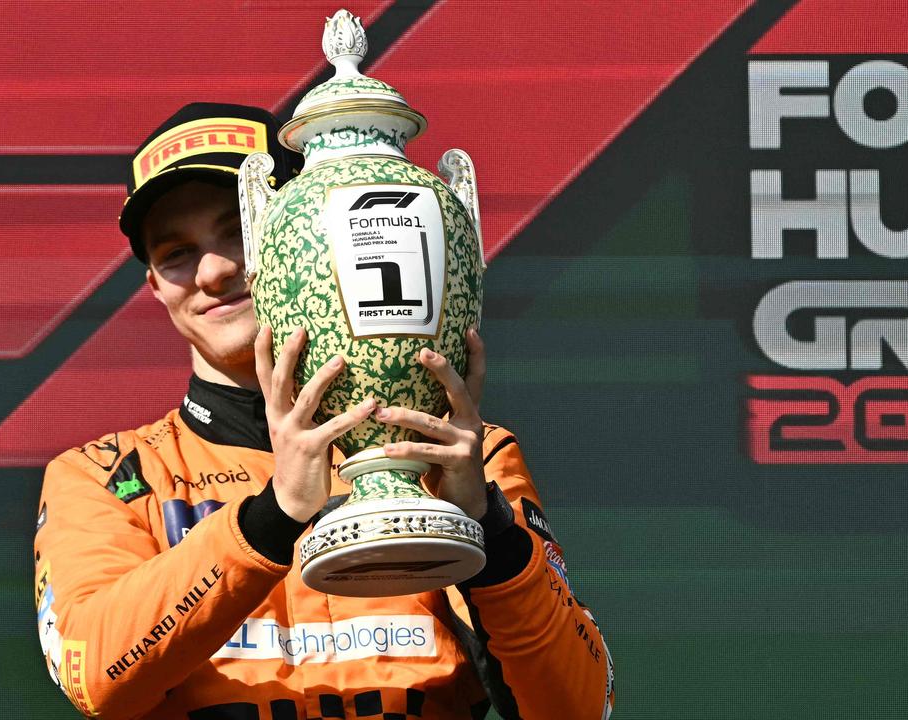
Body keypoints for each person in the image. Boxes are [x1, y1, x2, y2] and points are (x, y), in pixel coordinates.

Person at [33, 103, 615, 720]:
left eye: (237, 229)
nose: (214, 271)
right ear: (153, 284)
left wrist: (488, 529)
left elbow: (577, 707)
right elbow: (95, 676)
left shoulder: (452, 450)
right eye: (176, 252)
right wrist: (271, 517)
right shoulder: (104, 475)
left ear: (306, 236)